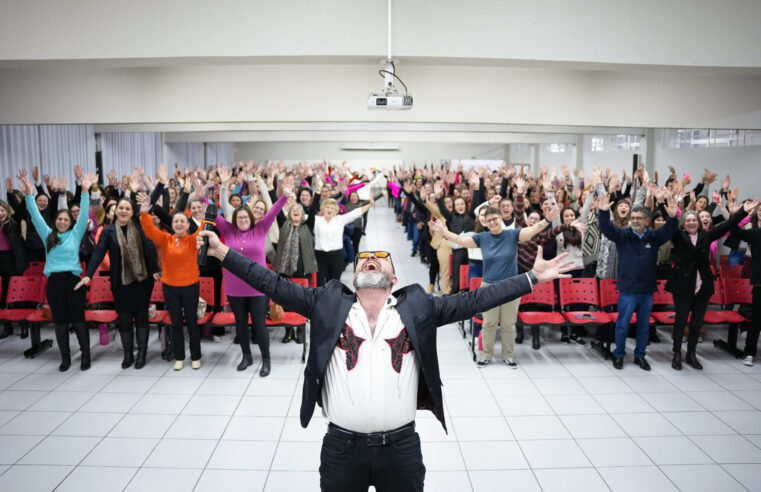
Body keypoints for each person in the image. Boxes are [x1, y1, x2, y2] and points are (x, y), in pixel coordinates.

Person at [196, 228, 573, 492]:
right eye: (365, 260)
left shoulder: (419, 308)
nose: (372, 261)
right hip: (341, 450)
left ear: (393, 278)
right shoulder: (326, 304)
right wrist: (221, 252)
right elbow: (271, 283)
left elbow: (474, 300)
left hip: (401, 449)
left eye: (381, 260)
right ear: (354, 275)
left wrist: (531, 279)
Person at [430, 206, 568, 368]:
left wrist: (547, 220)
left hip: (511, 287)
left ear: (500, 218)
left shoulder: (512, 234)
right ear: (485, 223)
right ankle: (486, 355)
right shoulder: (482, 237)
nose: (492, 222)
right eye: (488, 221)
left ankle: (508, 356)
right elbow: (460, 241)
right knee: (489, 323)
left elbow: (531, 231)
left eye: (494, 218)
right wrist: (443, 232)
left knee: (509, 324)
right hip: (488, 286)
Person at [19, 172, 96, 371]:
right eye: (60, 219)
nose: (63, 222)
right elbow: (35, 216)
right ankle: (66, 358)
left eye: (66, 219)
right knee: (60, 323)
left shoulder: (76, 234)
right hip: (54, 283)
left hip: (74, 281)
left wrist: (85, 192)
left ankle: (86, 356)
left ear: (71, 222)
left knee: (79, 321)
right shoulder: (48, 235)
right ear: (56, 221)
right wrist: (28, 195)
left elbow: (85, 212)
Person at [666, 203, 757, 370]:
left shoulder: (706, 236)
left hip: (703, 285)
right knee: (680, 322)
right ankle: (677, 353)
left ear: (699, 223)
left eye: (694, 220)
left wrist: (743, 211)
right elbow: (668, 228)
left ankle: (691, 353)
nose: (692, 222)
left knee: (696, 323)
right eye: (688, 220)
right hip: (682, 285)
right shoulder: (678, 235)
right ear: (684, 223)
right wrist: (672, 216)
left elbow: (727, 226)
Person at [215, 184, 291, 375]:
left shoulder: (260, 229)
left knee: (259, 325)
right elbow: (213, 213)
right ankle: (246, 356)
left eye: (245, 217)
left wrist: (284, 197)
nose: (242, 220)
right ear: (234, 219)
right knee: (240, 325)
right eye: (239, 217)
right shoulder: (228, 230)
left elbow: (273, 211)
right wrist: (204, 197)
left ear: (251, 218)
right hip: (234, 288)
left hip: (258, 288)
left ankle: (266, 360)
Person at [77, 197, 160, 370]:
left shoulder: (139, 226)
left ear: (132, 212)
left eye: (127, 209)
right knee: (124, 320)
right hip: (120, 284)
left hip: (142, 282)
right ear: (115, 211)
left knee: (142, 318)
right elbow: (99, 252)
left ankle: (142, 354)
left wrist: (155, 270)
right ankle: (128, 354)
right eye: (120, 208)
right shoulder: (108, 232)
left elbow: (149, 250)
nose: (123, 211)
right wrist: (88, 275)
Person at [598, 192, 678, 370]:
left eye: (639, 218)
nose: (634, 220)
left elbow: (670, 230)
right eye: (633, 217)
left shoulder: (654, 237)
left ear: (647, 221)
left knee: (644, 326)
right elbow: (606, 228)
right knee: (622, 324)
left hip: (647, 290)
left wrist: (672, 217)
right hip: (628, 289)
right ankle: (618, 354)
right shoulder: (623, 235)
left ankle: (639, 355)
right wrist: (603, 211)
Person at [138, 193, 202, 371]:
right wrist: (144, 213)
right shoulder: (166, 239)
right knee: (175, 323)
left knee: (192, 322)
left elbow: (203, 230)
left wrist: (203, 219)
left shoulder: (192, 240)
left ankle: (196, 356)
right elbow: (150, 230)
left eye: (183, 221)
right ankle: (179, 357)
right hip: (171, 288)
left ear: (188, 225)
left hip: (191, 287)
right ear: (172, 225)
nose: (179, 224)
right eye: (176, 222)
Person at [729, 201, 761, 366]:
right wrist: (737, 214)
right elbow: (734, 231)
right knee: (756, 320)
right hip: (760, 284)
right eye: (760, 210)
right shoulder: (755, 233)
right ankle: (749, 353)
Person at [0, 196, 28, 339]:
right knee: (3, 295)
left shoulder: (13, 223)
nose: (0, 213)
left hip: (12, 260)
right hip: (0, 261)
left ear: (7, 211)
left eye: (2, 210)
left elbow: (20, 210)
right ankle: (7, 326)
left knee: (17, 295)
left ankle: (24, 325)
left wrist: (15, 194)